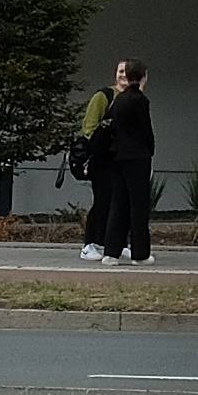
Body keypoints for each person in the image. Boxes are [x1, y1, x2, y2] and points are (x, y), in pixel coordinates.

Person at [98, 59, 157, 266]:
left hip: (117, 157)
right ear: (142, 77)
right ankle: (139, 254)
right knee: (139, 205)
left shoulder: (118, 100)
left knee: (118, 203)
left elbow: (110, 127)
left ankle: (111, 252)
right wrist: (150, 150)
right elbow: (145, 131)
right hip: (136, 158)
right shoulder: (140, 100)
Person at [74, 78, 118, 262]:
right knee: (102, 200)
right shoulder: (104, 96)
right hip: (103, 159)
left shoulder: (133, 99)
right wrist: (102, 147)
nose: (125, 75)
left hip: (122, 159)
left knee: (119, 202)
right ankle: (89, 244)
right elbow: (89, 128)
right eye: (121, 71)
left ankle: (116, 242)